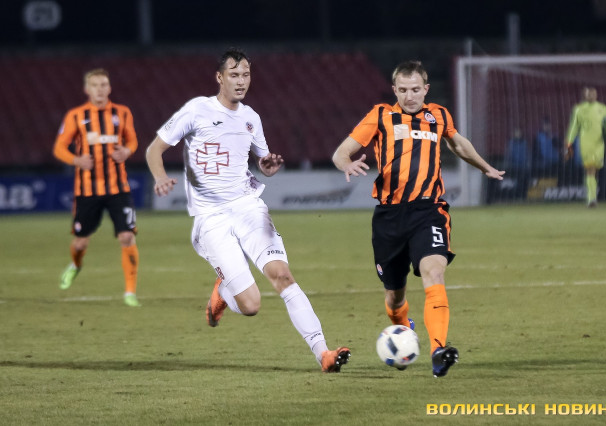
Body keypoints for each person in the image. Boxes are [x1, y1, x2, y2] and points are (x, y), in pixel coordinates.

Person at [145, 48, 350, 373]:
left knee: (282, 275)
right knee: (252, 304)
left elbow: (262, 162)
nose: (241, 81)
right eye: (234, 75)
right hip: (211, 219)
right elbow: (154, 149)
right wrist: (159, 177)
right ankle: (223, 293)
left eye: (246, 75)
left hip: (248, 207)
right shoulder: (197, 110)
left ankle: (323, 352)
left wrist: (268, 166)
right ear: (219, 77)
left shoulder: (251, 118)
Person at [332, 60, 504, 378]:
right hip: (389, 217)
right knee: (394, 297)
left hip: (428, 211)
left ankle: (439, 350)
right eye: (403, 90)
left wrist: (484, 166)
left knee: (433, 272)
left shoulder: (438, 115)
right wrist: (346, 164)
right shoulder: (381, 116)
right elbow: (341, 152)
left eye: (415, 90)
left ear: (426, 89)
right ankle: (403, 328)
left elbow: (457, 143)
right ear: (394, 90)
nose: (409, 96)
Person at [53, 68, 141, 307]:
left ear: (109, 88)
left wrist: (127, 151)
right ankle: (76, 264)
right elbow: (60, 147)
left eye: (103, 85)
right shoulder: (76, 116)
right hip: (87, 191)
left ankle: (130, 292)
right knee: (80, 242)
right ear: (87, 89)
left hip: (118, 188)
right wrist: (76, 160)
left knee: (127, 236)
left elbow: (132, 140)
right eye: (95, 85)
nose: (100, 89)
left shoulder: (122, 113)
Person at [565, 87, 606, 207]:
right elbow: (574, 127)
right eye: (589, 94)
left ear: (596, 95)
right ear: (585, 95)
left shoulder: (603, 109)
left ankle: (592, 195)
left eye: (593, 94)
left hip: (599, 144)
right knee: (590, 169)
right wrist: (569, 142)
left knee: (595, 171)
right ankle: (591, 198)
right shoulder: (579, 109)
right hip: (586, 143)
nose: (591, 96)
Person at [504, 127, 529, 199]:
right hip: (514, 167)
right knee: (514, 182)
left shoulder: (524, 143)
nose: (518, 134)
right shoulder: (511, 143)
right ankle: (514, 196)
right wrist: (508, 165)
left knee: (523, 182)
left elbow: (527, 154)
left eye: (519, 133)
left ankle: (523, 196)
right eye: (516, 133)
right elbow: (508, 155)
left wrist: (527, 165)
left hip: (523, 167)